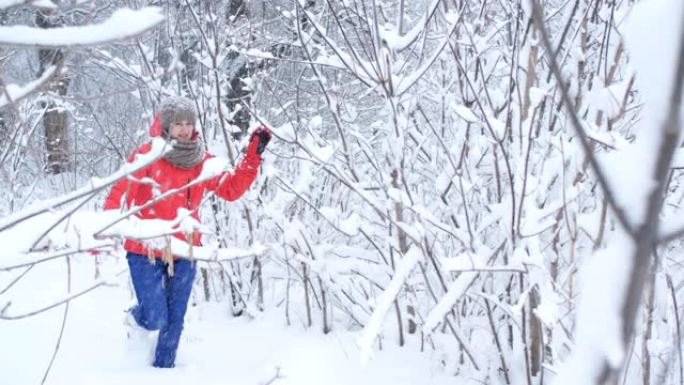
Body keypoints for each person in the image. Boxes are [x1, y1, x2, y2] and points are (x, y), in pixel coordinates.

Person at [103, 96, 271, 368]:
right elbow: (120, 189)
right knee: (156, 316)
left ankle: (163, 371)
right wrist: (107, 224)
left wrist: (253, 156)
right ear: (166, 126)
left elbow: (231, 189)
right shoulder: (148, 155)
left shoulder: (201, 160)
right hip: (144, 248)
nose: (183, 128)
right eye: (177, 123)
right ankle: (137, 319)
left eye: (188, 123)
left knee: (175, 318)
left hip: (185, 249)